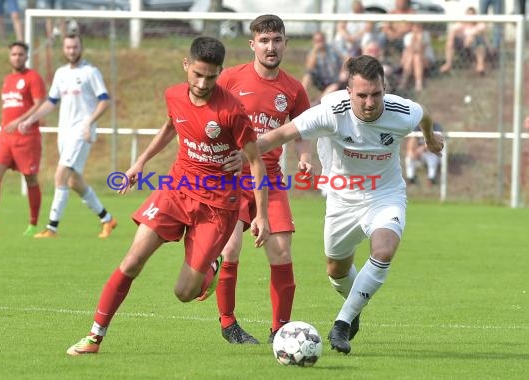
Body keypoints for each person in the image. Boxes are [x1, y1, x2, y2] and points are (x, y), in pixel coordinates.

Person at [65, 36, 270, 356]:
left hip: (217, 206)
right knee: (132, 260)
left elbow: (256, 160)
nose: (203, 83)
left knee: (184, 293)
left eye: (211, 76)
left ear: (220, 72)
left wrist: (262, 215)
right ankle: (94, 337)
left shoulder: (232, 110)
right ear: (186, 65)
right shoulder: (174, 95)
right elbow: (170, 126)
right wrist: (140, 162)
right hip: (176, 190)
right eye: (197, 74)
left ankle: (210, 269)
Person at [254, 55, 444, 354]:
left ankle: (342, 323)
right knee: (336, 270)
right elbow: (281, 134)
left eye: (376, 94)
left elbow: (425, 116)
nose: (370, 103)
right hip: (341, 199)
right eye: (362, 95)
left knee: (383, 249)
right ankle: (354, 308)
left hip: (385, 195)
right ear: (348, 92)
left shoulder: (401, 111)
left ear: (385, 87)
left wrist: (430, 140)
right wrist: (240, 153)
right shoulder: (330, 111)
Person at [213, 14, 312, 344]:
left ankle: (279, 330)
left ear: (285, 43)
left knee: (282, 253)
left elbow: (301, 130)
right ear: (253, 44)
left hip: (270, 179)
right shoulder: (230, 78)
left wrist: (305, 157)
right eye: (265, 41)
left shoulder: (293, 89)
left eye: (277, 40)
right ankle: (229, 324)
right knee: (231, 250)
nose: (271, 47)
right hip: (233, 178)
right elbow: (207, 113)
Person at [18, 34, 116, 238]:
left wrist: (89, 122)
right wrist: (30, 119)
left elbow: (105, 101)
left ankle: (51, 228)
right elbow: (51, 102)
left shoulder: (91, 72)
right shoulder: (61, 73)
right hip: (64, 133)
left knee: (60, 175)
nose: (72, 51)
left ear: (81, 47)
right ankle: (107, 219)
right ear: (64, 49)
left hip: (81, 133)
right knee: (73, 182)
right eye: (68, 47)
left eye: (75, 47)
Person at [0, 41, 46, 237]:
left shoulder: (33, 78)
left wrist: (20, 121)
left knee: (30, 179)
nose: (17, 57)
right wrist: (9, 124)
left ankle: (33, 224)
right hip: (5, 137)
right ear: (9, 57)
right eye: (14, 54)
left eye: (21, 54)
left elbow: (40, 104)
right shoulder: (8, 80)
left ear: (27, 56)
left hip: (27, 138)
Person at [439, 7, 489, 75]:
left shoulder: (478, 24)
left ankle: (480, 66)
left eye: (472, 15)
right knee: (450, 40)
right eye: (468, 14)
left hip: (474, 45)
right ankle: (448, 64)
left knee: (479, 40)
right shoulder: (462, 24)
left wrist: (471, 35)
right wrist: (452, 39)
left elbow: (482, 27)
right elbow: (452, 30)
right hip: (462, 45)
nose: (470, 17)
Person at [301, 31, 345, 105]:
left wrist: (343, 71)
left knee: (334, 85)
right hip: (321, 80)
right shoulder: (312, 52)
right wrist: (315, 51)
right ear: (313, 41)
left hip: (335, 79)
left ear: (324, 39)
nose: (319, 42)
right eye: (317, 40)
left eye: (321, 40)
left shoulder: (333, 49)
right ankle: (301, 98)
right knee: (307, 75)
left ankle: (319, 102)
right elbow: (309, 68)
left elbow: (346, 59)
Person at [399, 23, 436, 92]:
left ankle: (404, 82)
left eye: (419, 27)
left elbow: (420, 50)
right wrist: (413, 39)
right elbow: (410, 50)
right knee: (414, 57)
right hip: (411, 60)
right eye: (415, 27)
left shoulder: (425, 35)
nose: (417, 29)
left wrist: (419, 39)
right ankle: (418, 83)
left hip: (426, 60)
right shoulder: (408, 36)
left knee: (417, 56)